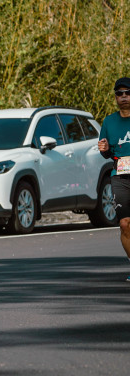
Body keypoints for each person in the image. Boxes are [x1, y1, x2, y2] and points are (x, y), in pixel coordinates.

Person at [98, 76, 130, 281]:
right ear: (116, 97)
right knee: (125, 224)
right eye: (120, 93)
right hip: (120, 175)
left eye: (128, 93)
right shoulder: (109, 121)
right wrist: (104, 149)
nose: (124, 97)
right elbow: (106, 153)